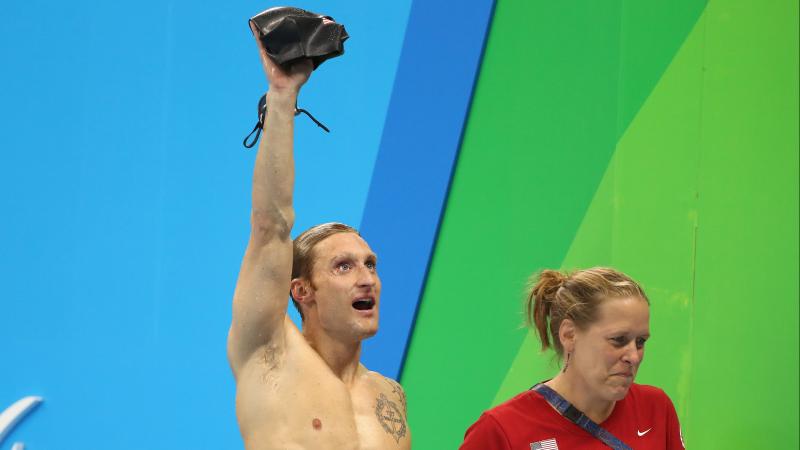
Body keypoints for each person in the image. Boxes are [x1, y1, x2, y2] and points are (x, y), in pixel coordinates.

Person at [226, 27, 410, 450]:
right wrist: (281, 95)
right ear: (302, 290)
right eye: (343, 266)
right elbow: (270, 224)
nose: (366, 278)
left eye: (370, 264)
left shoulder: (390, 396)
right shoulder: (268, 355)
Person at [460, 267, 684, 449]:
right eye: (618, 340)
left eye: (640, 341)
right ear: (569, 335)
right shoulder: (502, 430)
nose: (633, 357)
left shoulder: (655, 408)